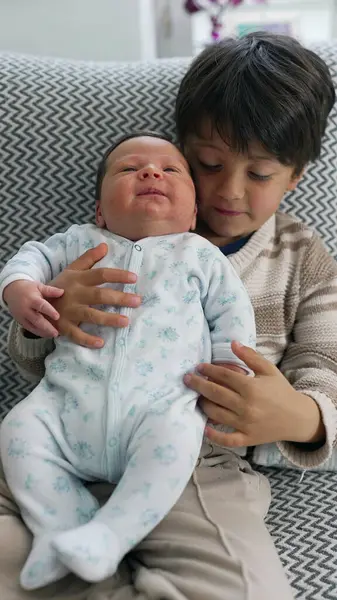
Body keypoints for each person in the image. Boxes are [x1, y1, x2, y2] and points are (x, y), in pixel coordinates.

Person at [2, 31, 337, 600]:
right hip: (63, 437)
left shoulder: (304, 260)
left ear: (296, 177)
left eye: (259, 175)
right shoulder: (114, 232)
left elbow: (325, 368)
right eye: (207, 164)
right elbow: (33, 365)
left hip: (194, 458)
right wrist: (52, 312)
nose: (228, 192)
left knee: (242, 587)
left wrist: (302, 419)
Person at [0, 133, 255, 591]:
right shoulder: (79, 242)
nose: (151, 172)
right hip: (65, 407)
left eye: (170, 170)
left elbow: (232, 316)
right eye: (128, 168)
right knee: (18, 429)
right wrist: (20, 289)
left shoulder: (201, 256)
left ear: (193, 215)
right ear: (100, 211)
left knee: (178, 440)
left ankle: (110, 535)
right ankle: (60, 527)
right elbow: (31, 257)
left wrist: (231, 369)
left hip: (161, 409)